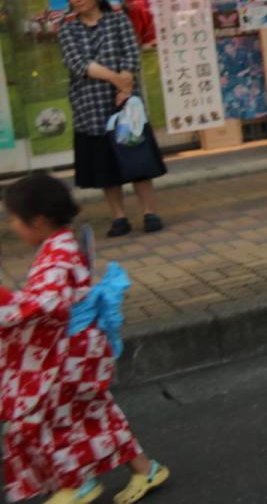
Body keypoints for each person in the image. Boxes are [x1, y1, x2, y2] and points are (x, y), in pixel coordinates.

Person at [1, 173, 169, 504]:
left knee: (51, 415)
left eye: (13, 219)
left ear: (37, 221)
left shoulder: (58, 255)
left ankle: (77, 483)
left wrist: (7, 304)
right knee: (93, 413)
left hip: (71, 351)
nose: (11, 227)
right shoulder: (60, 245)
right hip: (81, 346)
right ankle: (145, 469)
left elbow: (45, 304)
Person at [58, 0, 165, 238]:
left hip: (125, 104)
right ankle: (118, 217)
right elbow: (78, 64)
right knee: (105, 166)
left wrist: (125, 86)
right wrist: (118, 80)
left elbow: (131, 53)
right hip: (90, 106)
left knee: (137, 157)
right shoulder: (68, 29)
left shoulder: (118, 21)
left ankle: (149, 212)